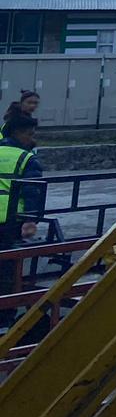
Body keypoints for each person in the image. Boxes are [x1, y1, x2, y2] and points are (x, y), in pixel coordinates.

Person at [0, 113, 44, 320]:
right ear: (17, 133)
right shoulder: (27, 158)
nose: (33, 138)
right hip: (10, 223)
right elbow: (32, 191)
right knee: (8, 270)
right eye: (30, 134)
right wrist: (30, 220)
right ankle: (5, 316)